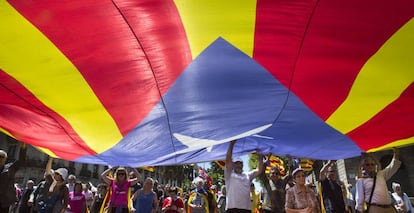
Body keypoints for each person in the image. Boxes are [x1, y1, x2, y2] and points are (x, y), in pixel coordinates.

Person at [355, 148, 401, 213]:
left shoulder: (381, 175)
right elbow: (360, 198)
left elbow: (392, 167)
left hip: (389, 208)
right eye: (367, 164)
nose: (370, 166)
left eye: (372, 164)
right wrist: (359, 210)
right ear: (363, 167)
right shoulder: (361, 180)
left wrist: (396, 154)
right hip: (375, 209)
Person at [224, 140, 264, 213]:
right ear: (233, 165)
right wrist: (231, 144)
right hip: (232, 208)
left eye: (240, 163)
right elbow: (228, 161)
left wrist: (260, 157)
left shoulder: (248, 175)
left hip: (246, 209)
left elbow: (259, 170)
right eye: (236, 163)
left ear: (242, 165)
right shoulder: (229, 174)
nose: (238, 165)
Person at [0, 144, 26, 213]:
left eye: (1, 157)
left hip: (5, 201)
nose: (0, 159)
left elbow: (21, 161)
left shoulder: (10, 168)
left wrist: (23, 148)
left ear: (5, 159)